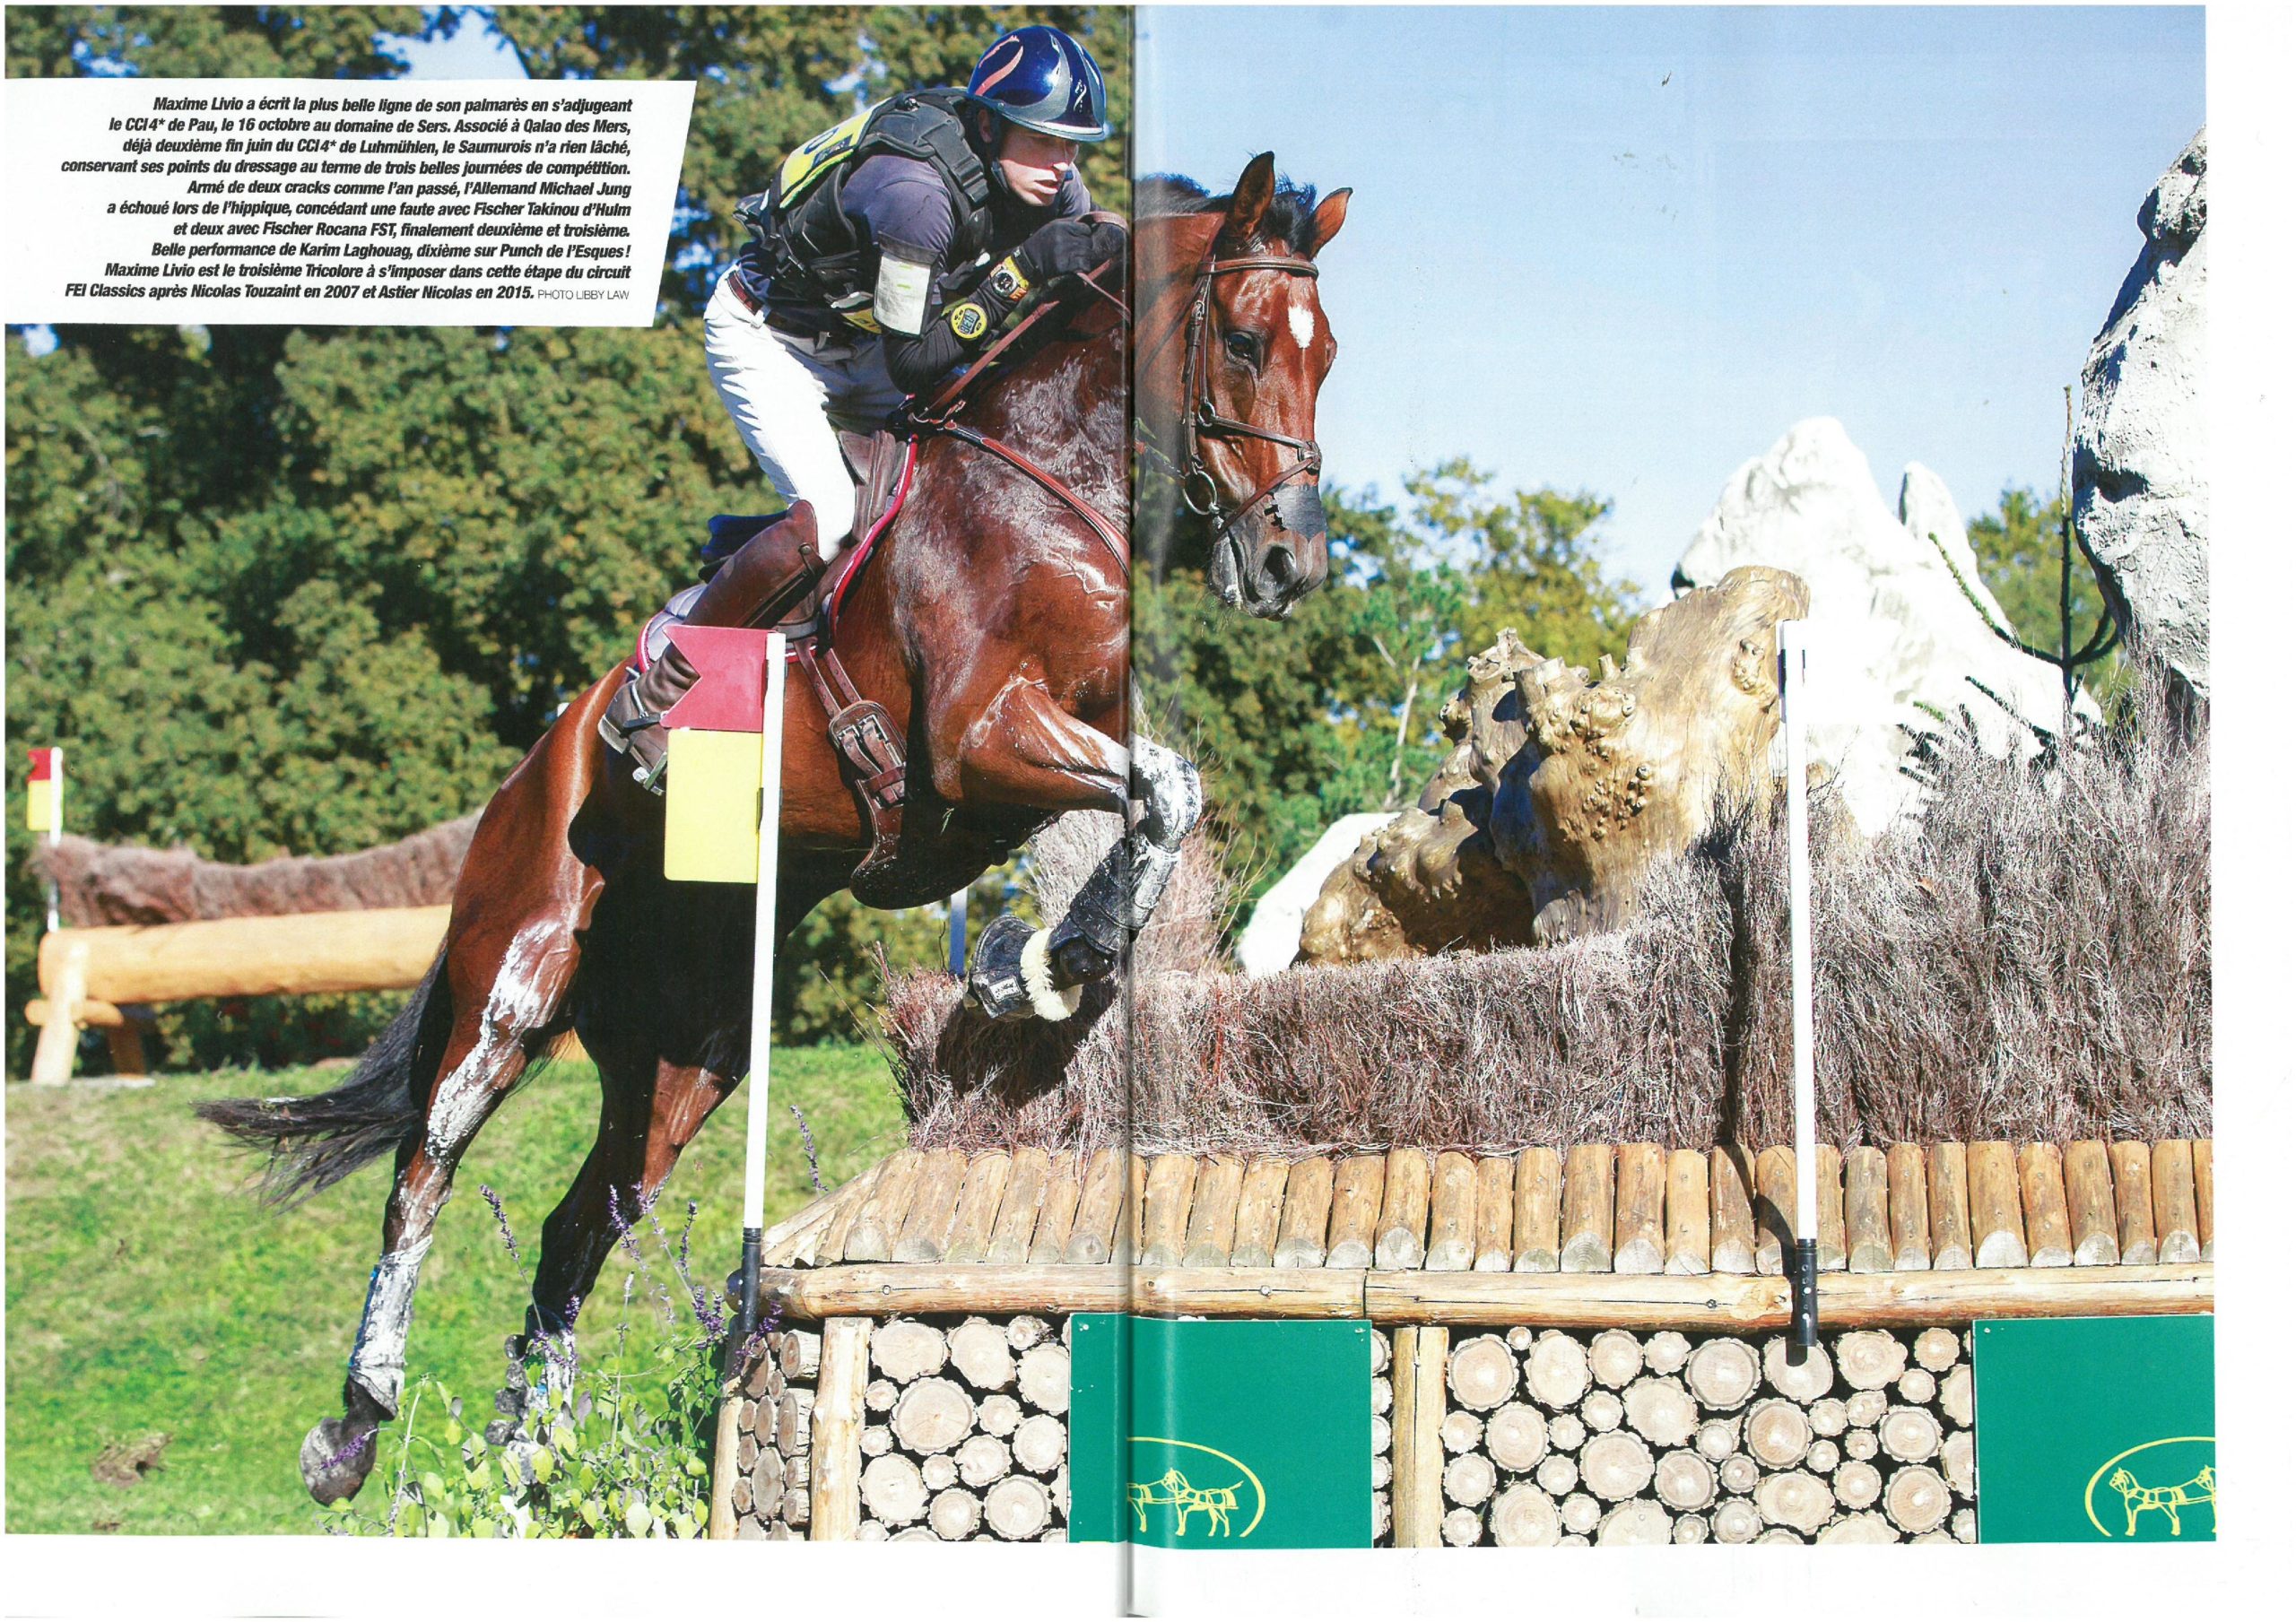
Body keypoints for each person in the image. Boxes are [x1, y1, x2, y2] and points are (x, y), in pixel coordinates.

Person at [601, 25, 1126, 789]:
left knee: (958, 478)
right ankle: (659, 683)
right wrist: (1025, 271)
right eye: (1044, 142)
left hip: (863, 344)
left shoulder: (1045, 184)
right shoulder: (914, 195)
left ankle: (754, 558)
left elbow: (1098, 241)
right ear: (988, 125)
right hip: (773, 339)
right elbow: (912, 362)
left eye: (1074, 147)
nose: (1063, 167)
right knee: (832, 515)